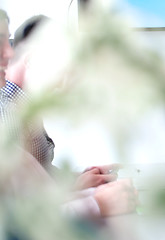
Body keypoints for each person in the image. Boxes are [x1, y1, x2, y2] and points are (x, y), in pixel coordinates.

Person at [0, 10, 138, 219]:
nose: (61, 81)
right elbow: (20, 210)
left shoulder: (24, 104)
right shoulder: (8, 112)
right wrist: (85, 195)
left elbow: (37, 174)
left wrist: (78, 178)